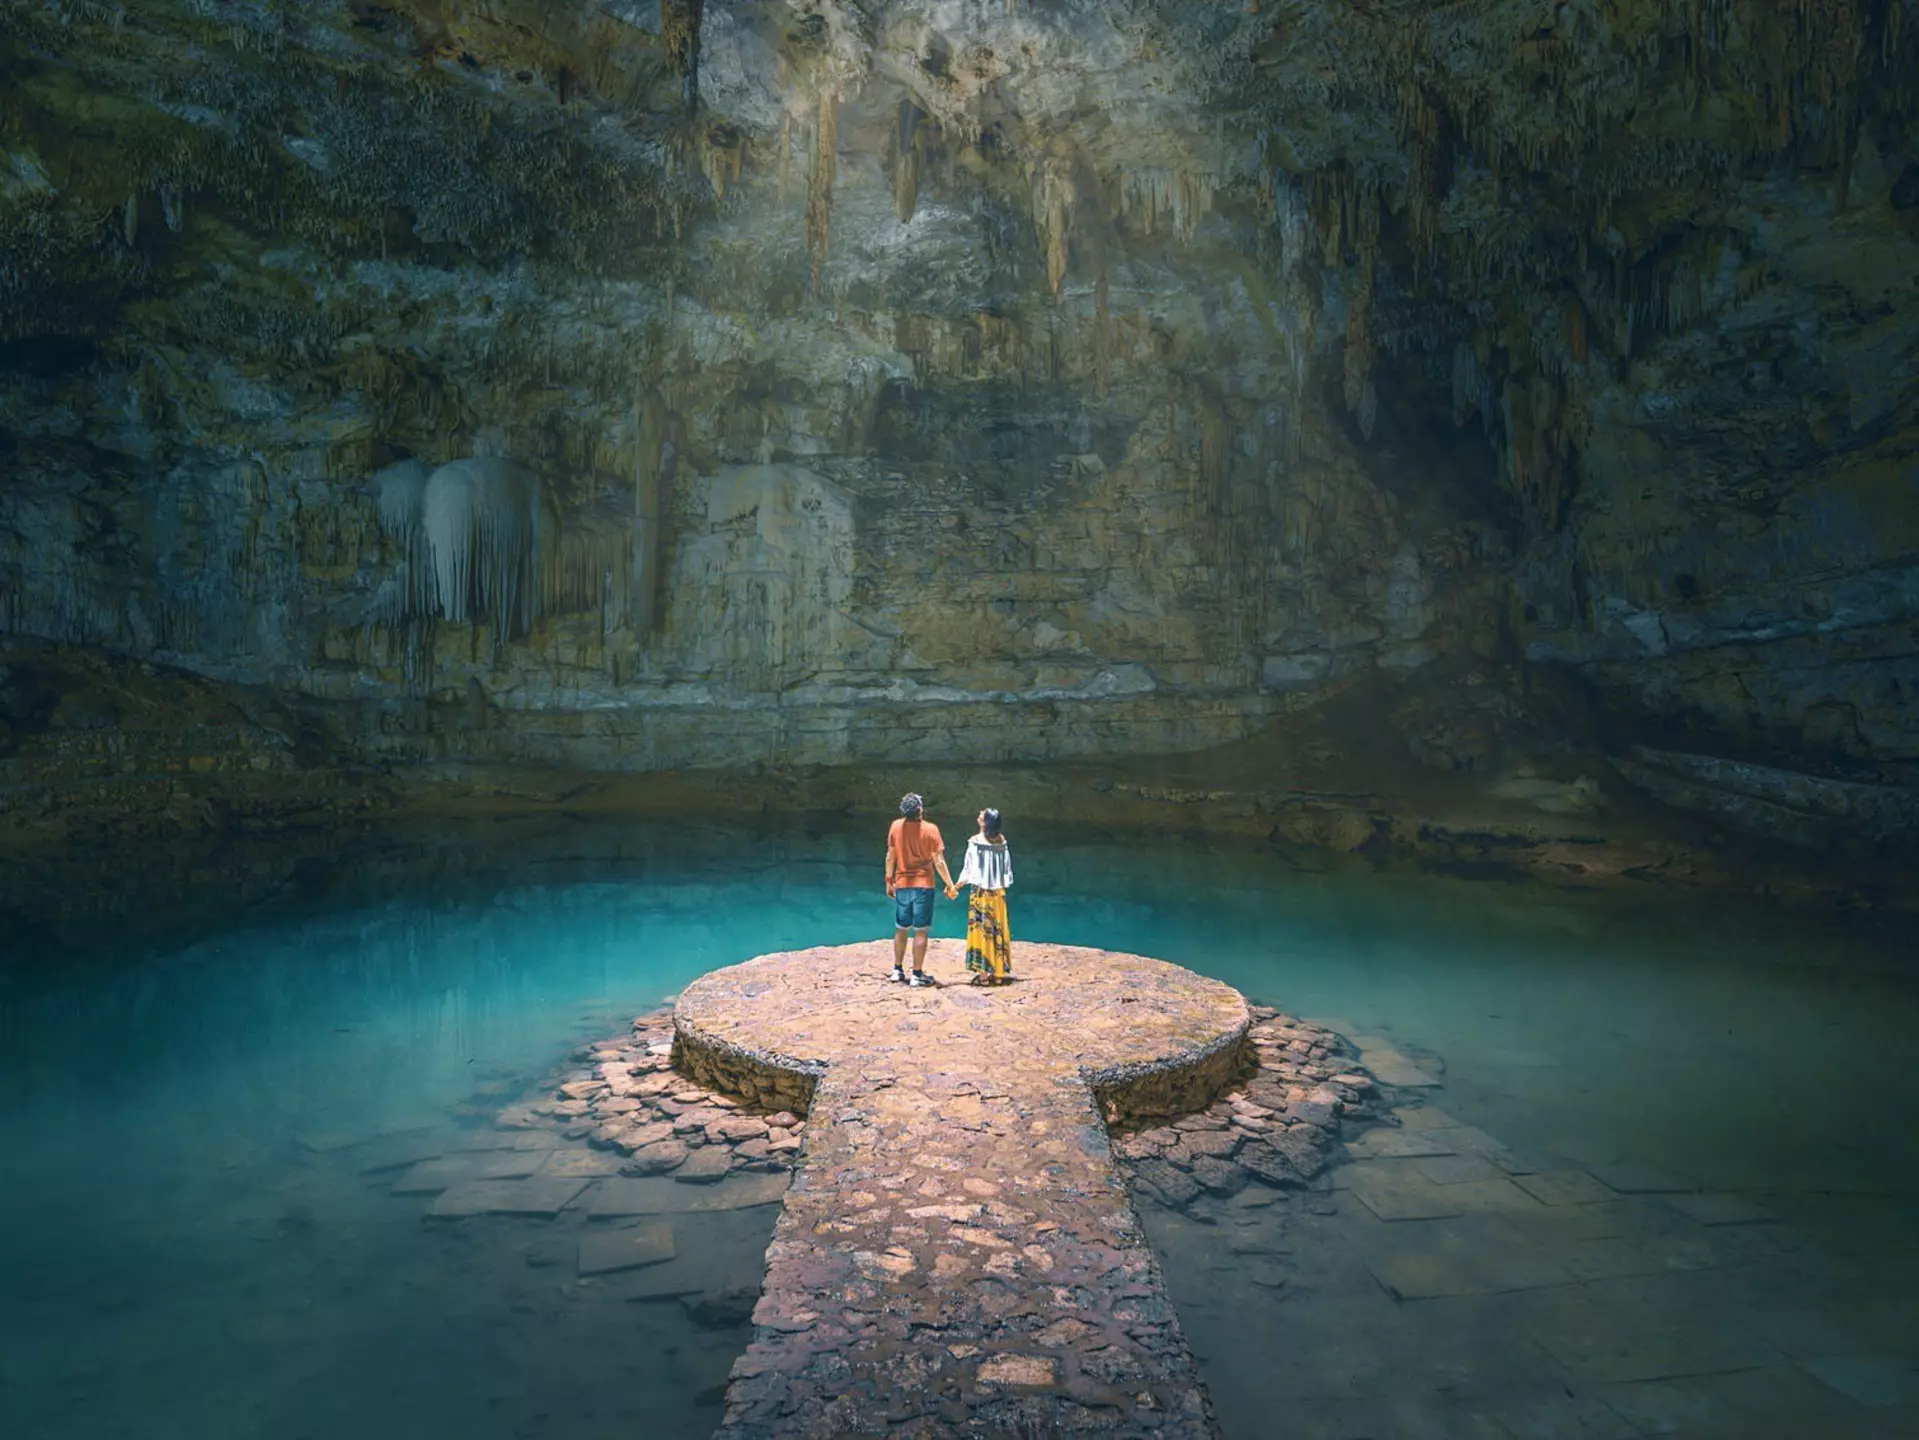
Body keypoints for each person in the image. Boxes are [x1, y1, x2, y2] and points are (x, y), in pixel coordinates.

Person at [884, 792, 957, 987]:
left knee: (901, 928)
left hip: (902, 885)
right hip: (924, 886)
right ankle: (916, 974)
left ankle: (897, 970)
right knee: (921, 931)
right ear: (920, 810)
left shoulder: (895, 826)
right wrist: (950, 885)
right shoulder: (931, 830)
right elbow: (939, 862)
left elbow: (890, 856)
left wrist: (889, 881)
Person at [957, 807, 1014, 986]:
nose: (979, 813)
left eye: (982, 814)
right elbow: (1007, 870)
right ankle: (998, 973)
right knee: (997, 930)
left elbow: (969, 869)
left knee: (982, 932)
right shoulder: (1002, 841)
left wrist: (957, 885)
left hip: (981, 895)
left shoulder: (975, 842)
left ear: (984, 823)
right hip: (998, 895)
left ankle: (983, 976)